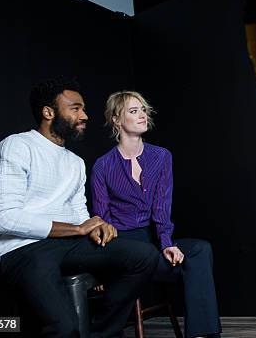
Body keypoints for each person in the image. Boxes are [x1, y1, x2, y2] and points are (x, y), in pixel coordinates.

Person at [0, 77, 158, 337]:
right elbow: (5, 219)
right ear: (48, 112)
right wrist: (77, 228)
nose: (84, 115)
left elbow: (80, 215)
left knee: (144, 256)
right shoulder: (16, 146)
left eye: (83, 108)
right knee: (63, 327)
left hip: (67, 245)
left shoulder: (75, 162)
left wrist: (96, 227)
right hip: (19, 249)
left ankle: (100, 334)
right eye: (75, 108)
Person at [91, 91, 221, 338]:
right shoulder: (103, 166)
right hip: (123, 247)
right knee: (152, 258)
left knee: (200, 250)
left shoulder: (161, 156)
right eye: (133, 111)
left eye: (143, 109)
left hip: (152, 241)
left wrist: (167, 244)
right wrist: (102, 269)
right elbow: (101, 220)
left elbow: (162, 208)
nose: (142, 115)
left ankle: (202, 335)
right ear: (116, 120)